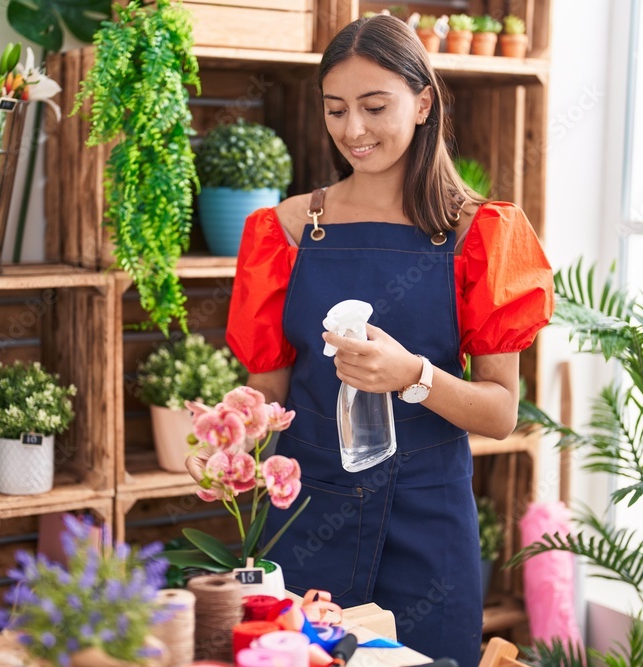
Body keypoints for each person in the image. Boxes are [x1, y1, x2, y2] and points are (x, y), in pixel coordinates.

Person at [191, 15, 553, 666]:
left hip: (429, 525)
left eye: (374, 106)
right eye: (336, 109)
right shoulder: (287, 230)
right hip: (304, 518)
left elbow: (501, 412)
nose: (353, 130)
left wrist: (413, 373)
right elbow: (269, 394)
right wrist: (227, 430)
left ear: (424, 102)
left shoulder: (482, 234)